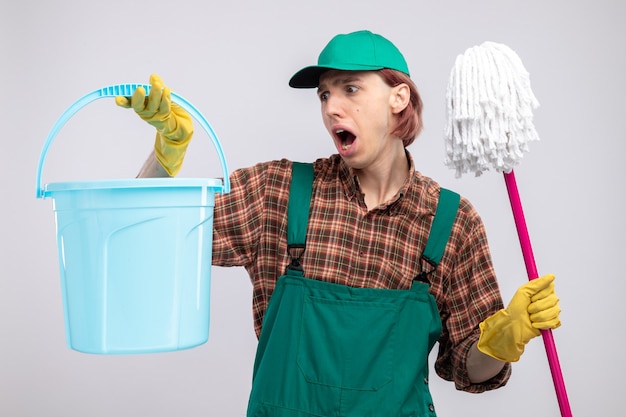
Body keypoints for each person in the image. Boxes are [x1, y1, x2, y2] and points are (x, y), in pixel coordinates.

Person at [117, 30, 561, 417]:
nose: (331, 107)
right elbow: (142, 233)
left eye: (350, 89)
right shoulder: (278, 193)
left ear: (398, 97)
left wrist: (503, 341)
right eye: (325, 94)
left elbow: (469, 370)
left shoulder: (450, 222)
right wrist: (166, 154)